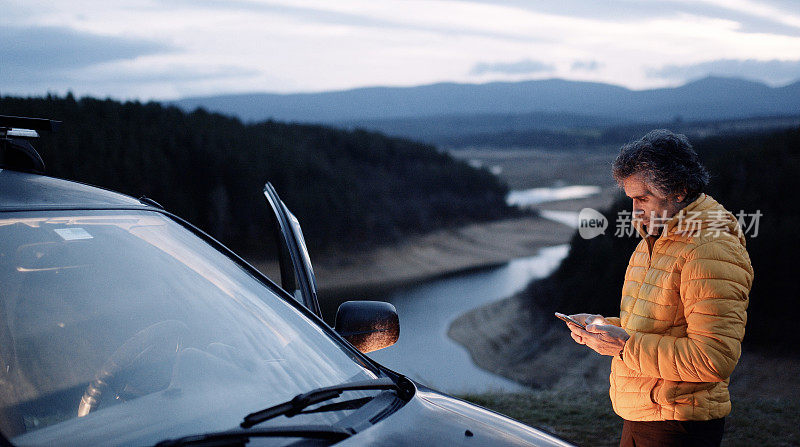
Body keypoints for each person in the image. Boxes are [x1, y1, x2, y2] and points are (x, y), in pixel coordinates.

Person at [565, 129, 754, 447]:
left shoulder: (710, 248)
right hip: (645, 416)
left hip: (677, 425)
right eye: (631, 199)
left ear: (679, 190)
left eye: (643, 198)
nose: (634, 210)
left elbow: (713, 358)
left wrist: (625, 348)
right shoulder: (655, 238)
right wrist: (602, 327)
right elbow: (657, 325)